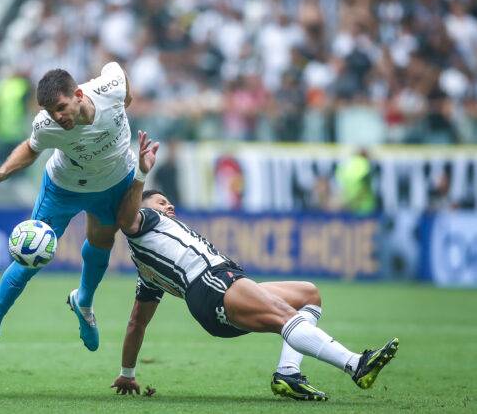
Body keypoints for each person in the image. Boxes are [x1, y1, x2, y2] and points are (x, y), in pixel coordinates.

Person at [109, 132, 399, 401]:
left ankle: (288, 374)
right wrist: (142, 172)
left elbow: (137, 323)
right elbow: (126, 220)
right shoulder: (146, 220)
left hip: (216, 290)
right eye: (162, 202)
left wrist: (127, 374)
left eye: (169, 202)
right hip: (212, 284)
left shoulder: (147, 270)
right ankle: (355, 364)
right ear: (144, 207)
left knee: (307, 295)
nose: (169, 207)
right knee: (285, 316)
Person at [0, 61, 135, 375]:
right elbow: (31, 149)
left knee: (102, 242)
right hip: (64, 188)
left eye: (61, 107)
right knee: (29, 258)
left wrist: (128, 97)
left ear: (79, 95)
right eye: (50, 110)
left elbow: (118, 72)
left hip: (113, 183)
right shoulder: (47, 124)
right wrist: (2, 172)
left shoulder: (109, 90)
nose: (58, 116)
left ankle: (83, 302)